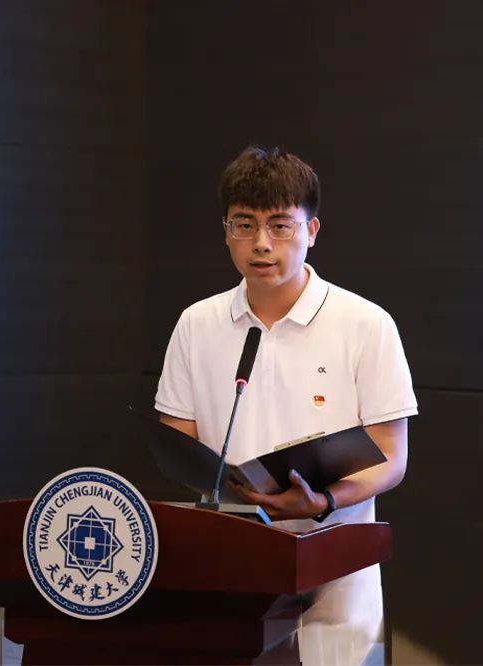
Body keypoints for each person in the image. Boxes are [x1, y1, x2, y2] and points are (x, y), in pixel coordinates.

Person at [155, 146, 418, 665]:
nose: (260, 243)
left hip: (337, 561)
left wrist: (323, 501)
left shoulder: (366, 324)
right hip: (233, 557)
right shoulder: (196, 323)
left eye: (280, 226)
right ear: (225, 230)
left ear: (311, 230)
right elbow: (179, 441)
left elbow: (391, 457)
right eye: (244, 225)